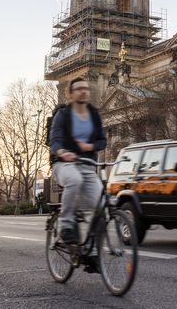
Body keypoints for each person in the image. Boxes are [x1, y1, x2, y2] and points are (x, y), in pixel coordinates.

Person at [49, 77, 108, 244]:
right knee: (74, 179)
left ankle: (93, 250)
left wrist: (88, 147)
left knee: (102, 206)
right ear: (70, 94)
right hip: (64, 164)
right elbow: (55, 139)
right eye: (79, 89)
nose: (83, 91)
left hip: (87, 165)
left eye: (86, 88)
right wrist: (62, 152)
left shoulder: (94, 114)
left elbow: (102, 141)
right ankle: (66, 226)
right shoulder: (63, 114)